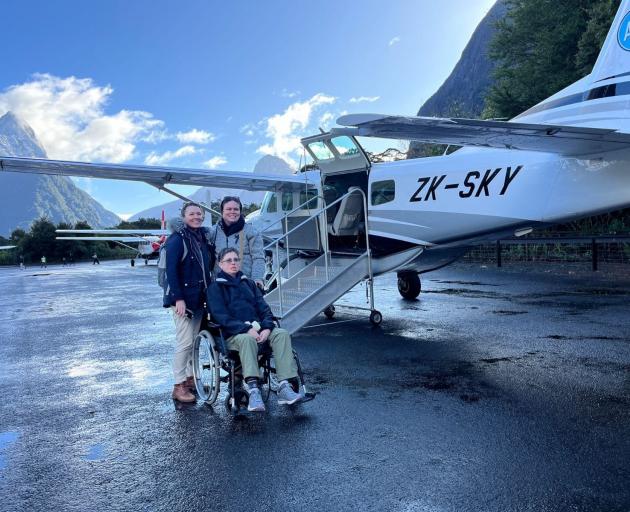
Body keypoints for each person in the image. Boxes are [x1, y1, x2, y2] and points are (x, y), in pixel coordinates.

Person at [208, 246, 303, 412]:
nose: (233, 263)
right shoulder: (215, 288)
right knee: (247, 339)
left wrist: (267, 327)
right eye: (228, 260)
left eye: (236, 260)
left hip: (258, 329)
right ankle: (253, 390)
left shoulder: (249, 284)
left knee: (281, 334)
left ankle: (284, 386)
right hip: (232, 334)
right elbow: (221, 317)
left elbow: (264, 309)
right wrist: (245, 329)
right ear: (220, 264)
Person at [163, 201, 213, 403]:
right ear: (183, 217)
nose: (196, 217)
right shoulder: (177, 239)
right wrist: (178, 298)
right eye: (192, 214)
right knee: (184, 343)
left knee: (193, 341)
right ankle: (178, 385)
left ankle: (190, 379)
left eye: (199, 214)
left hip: (198, 298)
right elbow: (171, 272)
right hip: (184, 301)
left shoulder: (200, 238)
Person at [210, 196, 265, 288]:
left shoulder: (251, 232)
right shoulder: (213, 232)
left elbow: (258, 258)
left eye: (236, 209)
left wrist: (257, 279)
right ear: (222, 211)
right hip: (219, 285)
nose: (232, 212)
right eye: (229, 209)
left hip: (244, 285)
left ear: (240, 211)